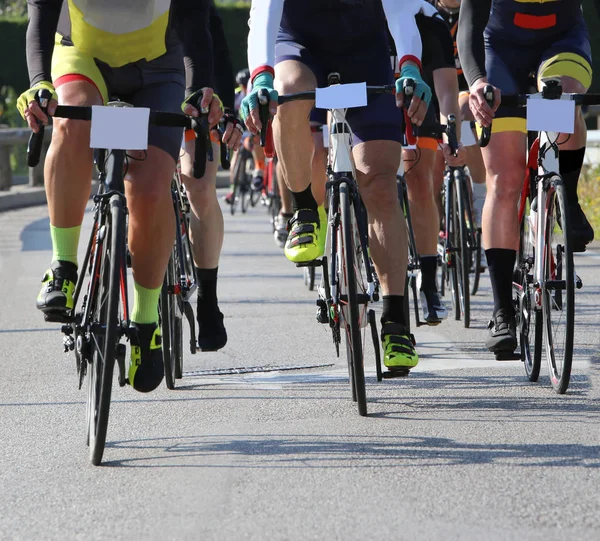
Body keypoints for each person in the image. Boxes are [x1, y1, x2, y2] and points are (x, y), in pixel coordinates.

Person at [18, 0, 223, 392]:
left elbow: (196, 18)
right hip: (83, 55)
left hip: (160, 67)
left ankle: (147, 324)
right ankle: (63, 266)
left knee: (148, 186)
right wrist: (39, 81)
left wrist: (198, 88)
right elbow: (40, 17)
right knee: (72, 120)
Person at [242, 0, 432, 371]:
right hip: (298, 47)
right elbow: (263, 14)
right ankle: (304, 209)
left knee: (380, 186)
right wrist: (261, 75)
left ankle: (395, 321)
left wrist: (410, 65)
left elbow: (399, 12)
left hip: (364, 53)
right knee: (289, 89)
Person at [458, 0, 594, 355]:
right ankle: (503, 310)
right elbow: (470, 21)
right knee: (505, 180)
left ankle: (568, 197)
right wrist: (477, 82)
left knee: (561, 98)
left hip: (562, 44)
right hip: (498, 52)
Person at [179, 1, 243, 352]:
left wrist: (228, 109)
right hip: (132, 85)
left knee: (199, 184)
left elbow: (214, 47)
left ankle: (207, 298)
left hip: (195, 80)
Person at [399, 0, 465, 324]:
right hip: (372, 98)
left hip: (418, 104)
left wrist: (451, 131)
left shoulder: (428, 18)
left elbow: (447, 88)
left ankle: (428, 281)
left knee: (419, 182)